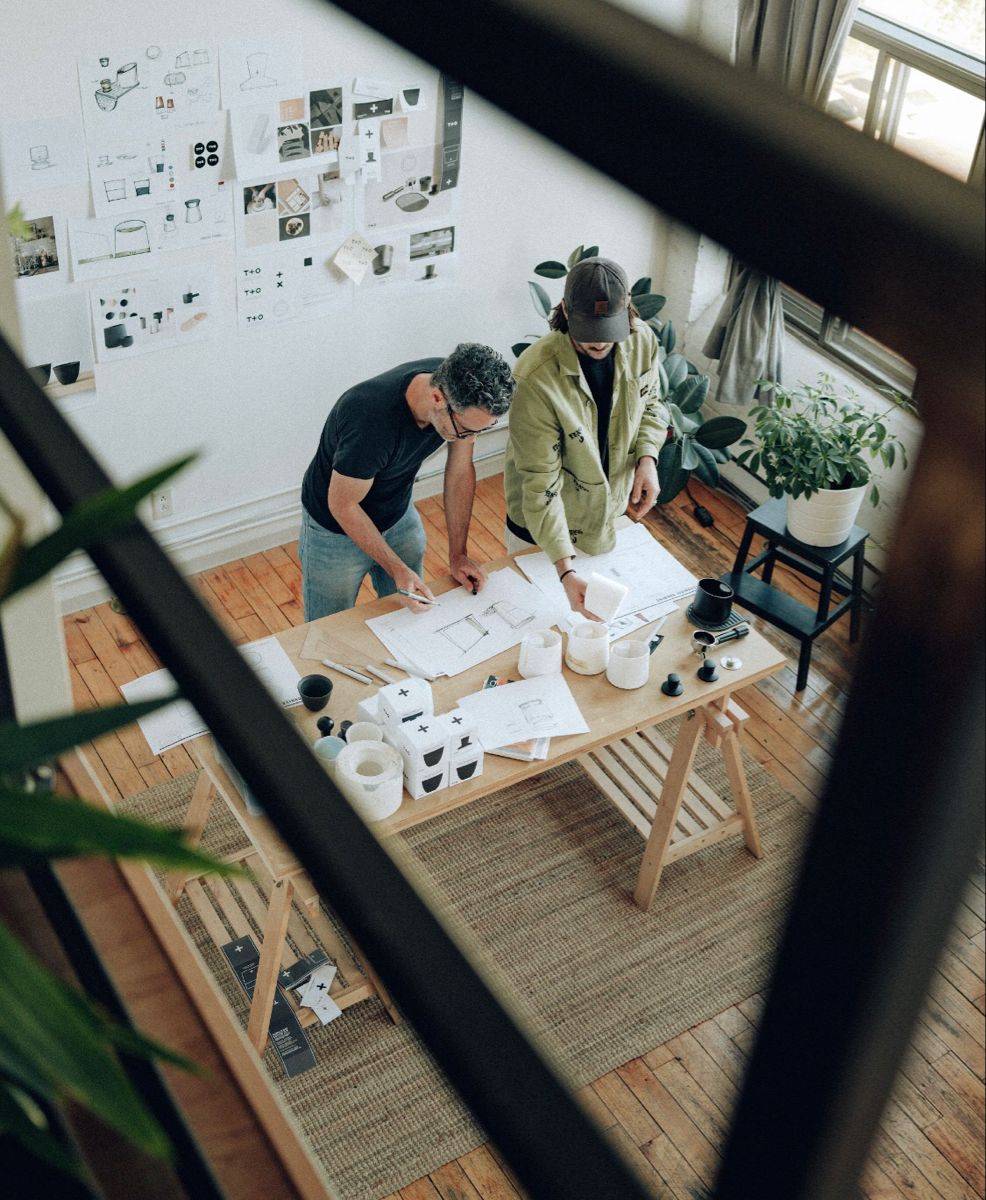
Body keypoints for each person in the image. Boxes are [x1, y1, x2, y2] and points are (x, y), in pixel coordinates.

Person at [503, 256, 670, 619]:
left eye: (608, 328)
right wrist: (565, 570)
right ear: (564, 310)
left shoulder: (643, 341)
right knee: (537, 628)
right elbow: (541, 486)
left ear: (627, 309)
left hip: (607, 516)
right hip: (543, 533)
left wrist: (647, 459)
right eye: (587, 329)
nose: (598, 342)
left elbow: (654, 405)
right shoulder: (534, 377)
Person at [300, 343, 515, 620]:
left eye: (481, 429)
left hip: (397, 514)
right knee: (327, 626)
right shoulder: (369, 421)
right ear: (438, 398)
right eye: (466, 430)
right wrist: (397, 569)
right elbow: (343, 505)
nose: (469, 438)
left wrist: (458, 554)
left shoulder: (457, 390)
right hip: (334, 530)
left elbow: (460, 471)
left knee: (410, 616)